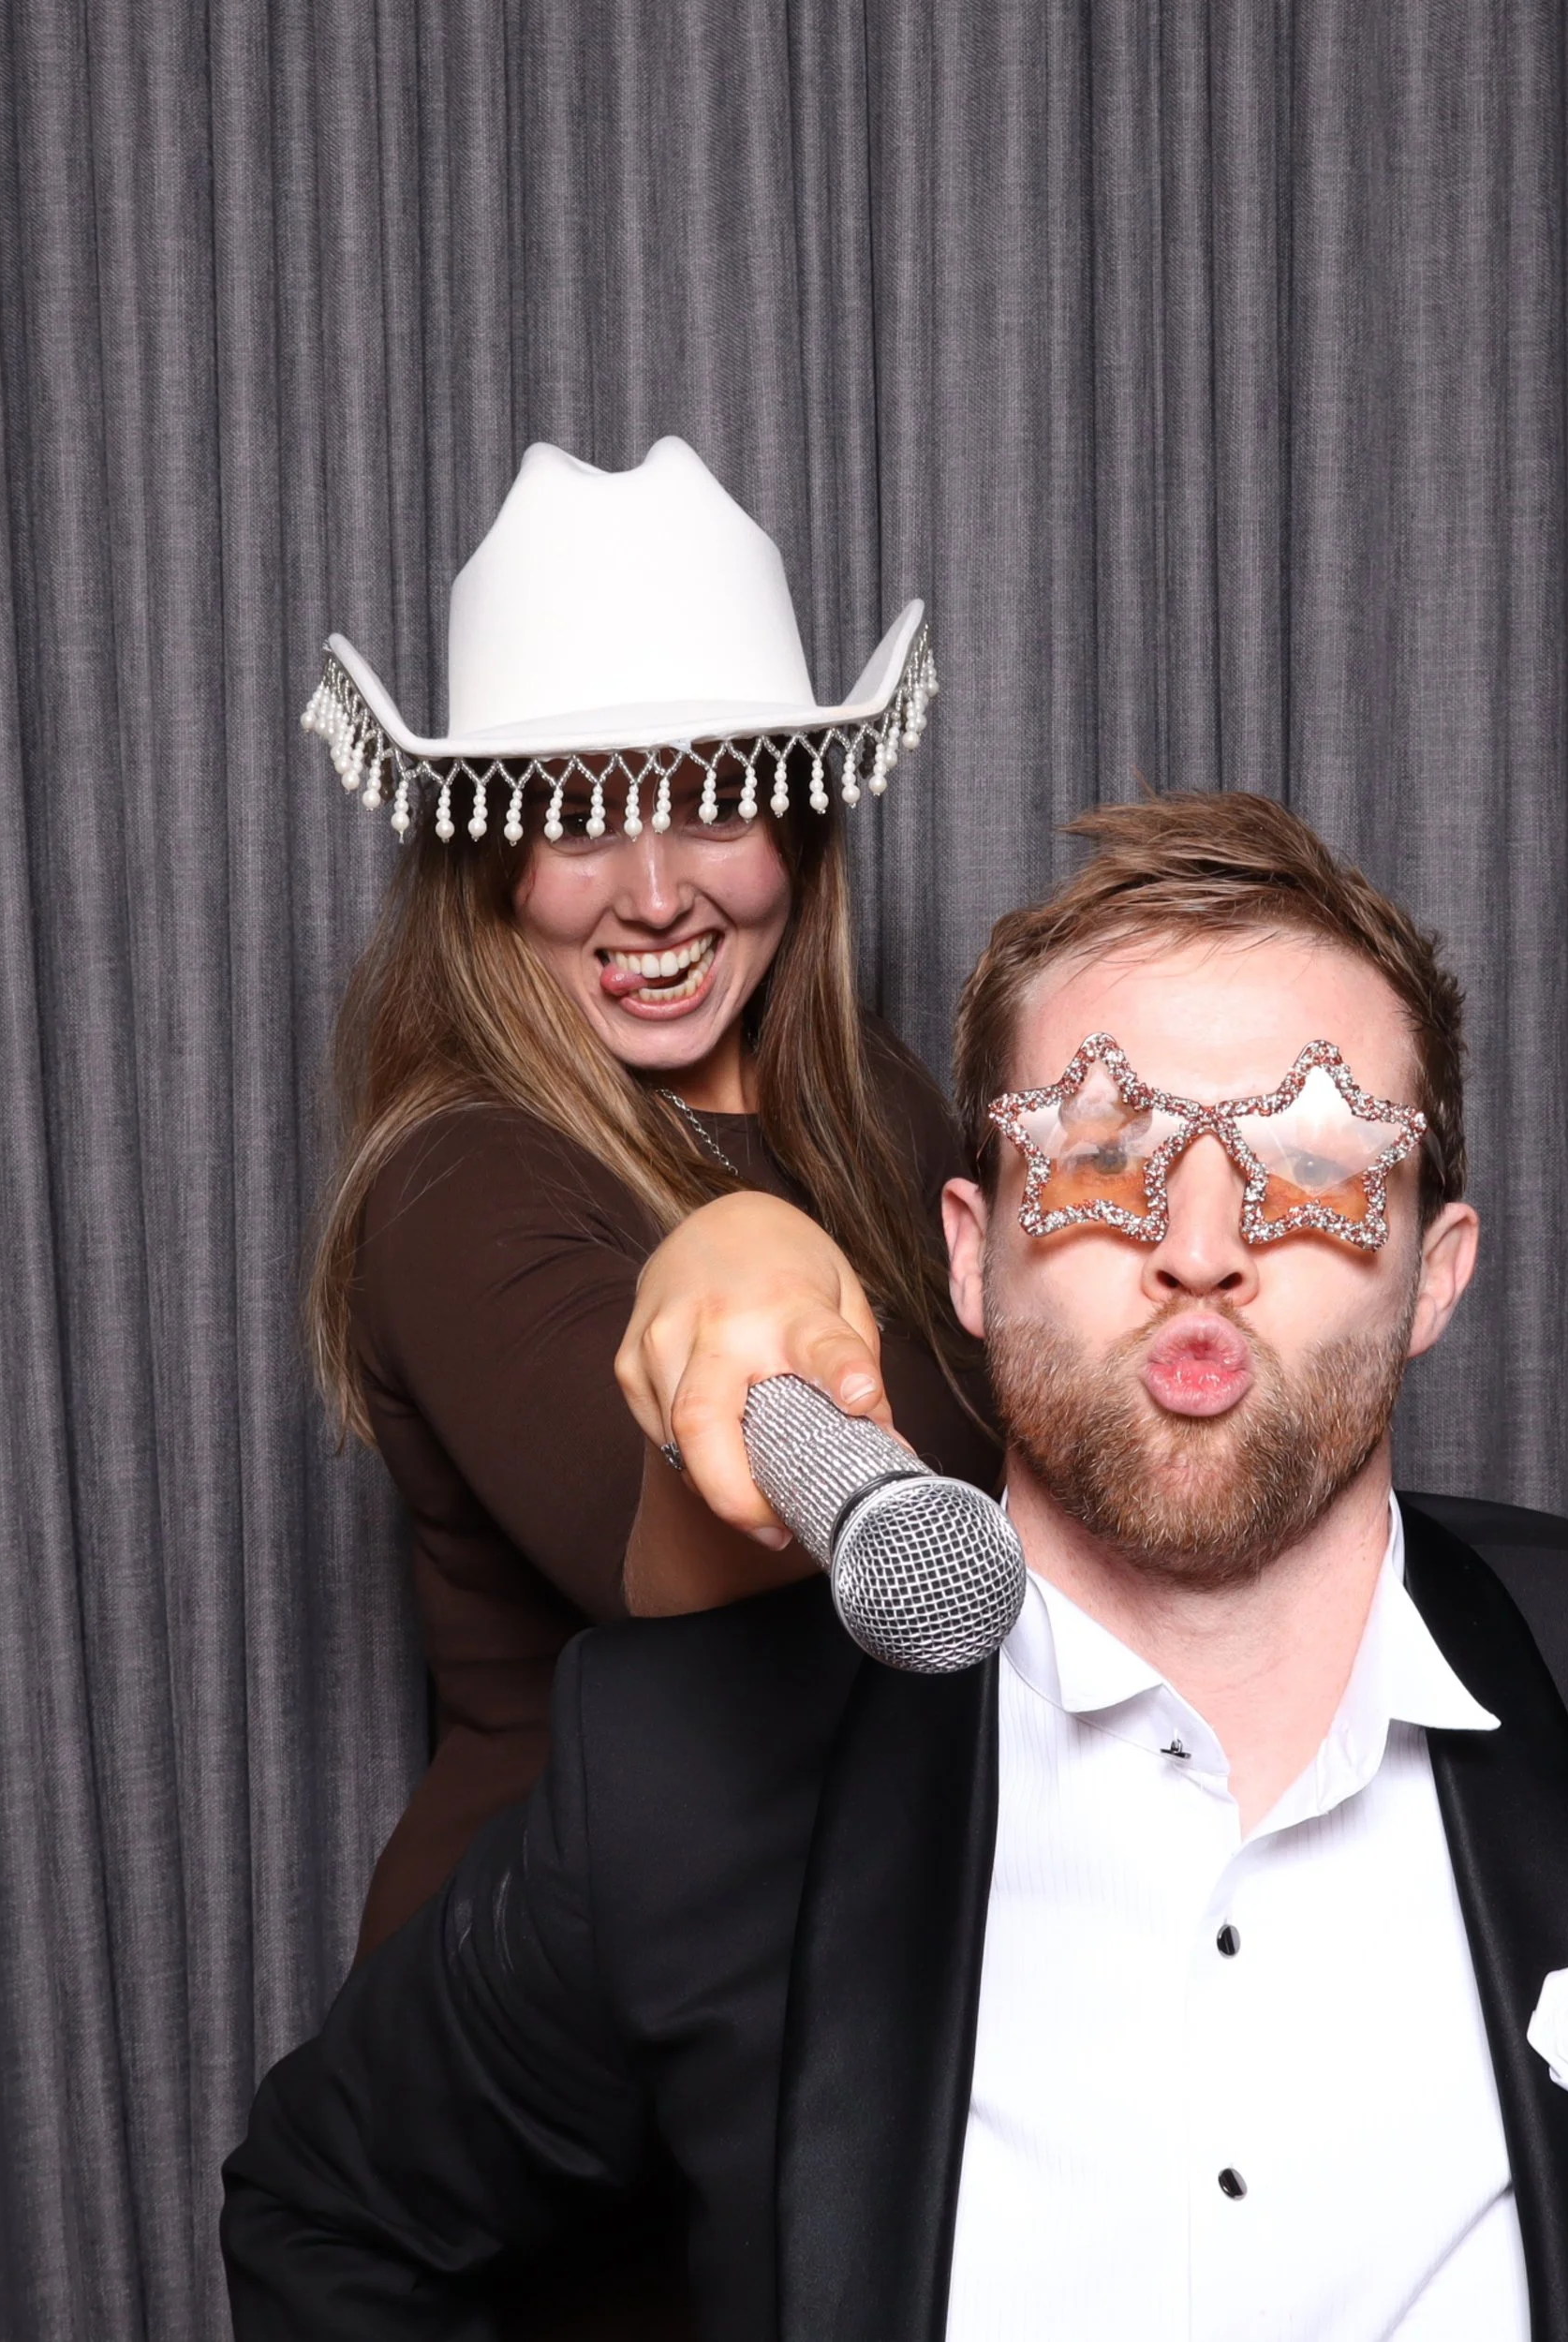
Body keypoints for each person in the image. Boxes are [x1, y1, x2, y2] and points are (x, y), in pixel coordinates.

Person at [228, 793, 1568, 2340]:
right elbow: (331, 2219)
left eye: (1314, 1163)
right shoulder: (687, 1779)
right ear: (967, 1252)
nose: (1198, 1241)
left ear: (1432, 1267)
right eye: (1100, 1160)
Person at [303, 436, 995, 1959]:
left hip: (852, 1950)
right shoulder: (455, 1179)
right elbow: (676, 1574)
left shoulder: (875, 1102)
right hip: (567, 2015)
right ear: (483, 861)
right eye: (575, 819)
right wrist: (743, 1252)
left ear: (804, 825)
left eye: (717, 803)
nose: (657, 892)